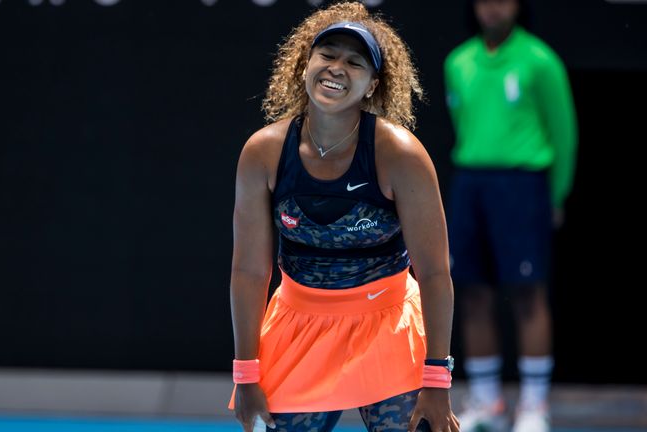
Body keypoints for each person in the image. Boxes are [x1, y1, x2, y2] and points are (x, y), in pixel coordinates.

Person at [227, 2, 460, 431]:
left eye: (354, 63)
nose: (337, 68)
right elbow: (248, 271)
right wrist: (246, 373)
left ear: (372, 86)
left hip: (389, 326)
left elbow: (434, 274)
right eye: (327, 55)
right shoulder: (263, 152)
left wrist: (436, 378)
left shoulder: (400, 155)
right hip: (297, 331)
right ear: (304, 66)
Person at [443, 1, 577, 431]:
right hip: (471, 183)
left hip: (523, 186)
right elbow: (464, 123)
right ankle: (487, 404)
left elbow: (564, 134)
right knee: (473, 293)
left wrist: (554, 195)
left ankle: (534, 407)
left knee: (528, 293)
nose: (492, 7)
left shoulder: (540, 60)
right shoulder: (457, 62)